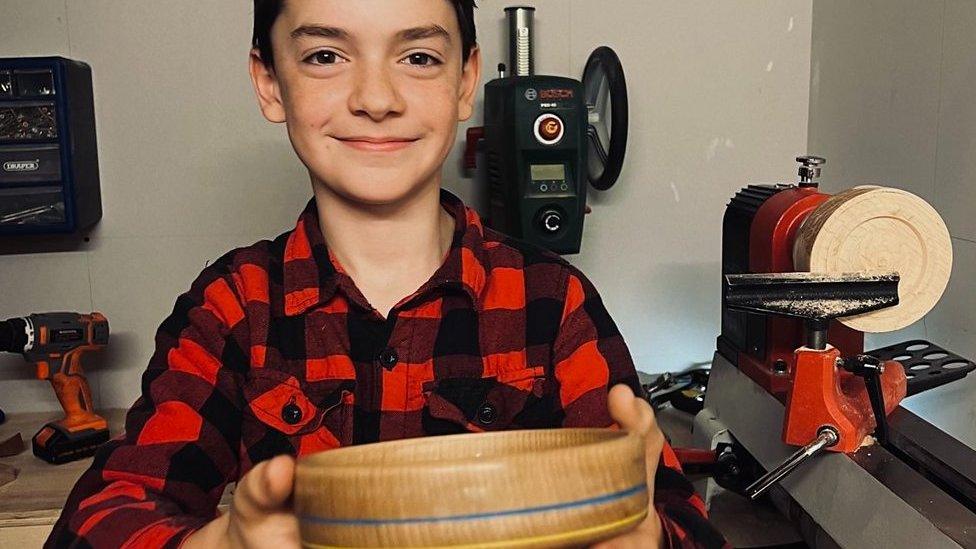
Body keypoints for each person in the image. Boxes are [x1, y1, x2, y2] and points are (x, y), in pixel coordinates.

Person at [47, 1, 728, 547]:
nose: (376, 97)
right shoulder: (233, 306)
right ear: (267, 80)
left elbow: (680, 517)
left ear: (466, 81)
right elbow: (100, 519)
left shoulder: (554, 304)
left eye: (419, 56)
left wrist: (652, 536)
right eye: (324, 55)